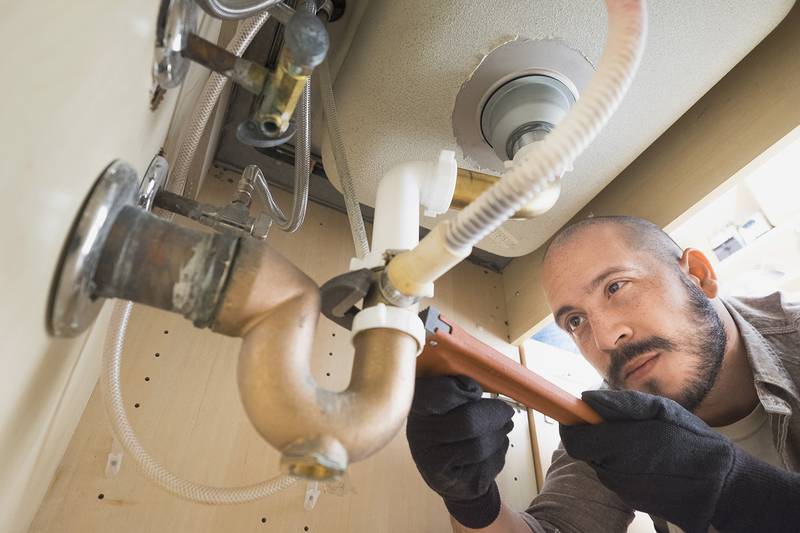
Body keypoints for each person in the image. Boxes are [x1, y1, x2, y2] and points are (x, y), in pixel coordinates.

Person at [406, 216, 800, 533]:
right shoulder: (610, 418)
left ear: (698, 274)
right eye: (576, 320)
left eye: (616, 286)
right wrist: (472, 503)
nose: (608, 338)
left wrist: (730, 486)